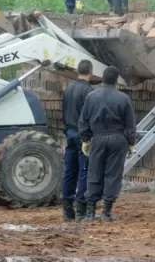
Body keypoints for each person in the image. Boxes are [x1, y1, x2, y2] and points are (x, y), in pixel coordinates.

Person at [78, 66, 136, 222]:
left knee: (94, 172)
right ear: (116, 80)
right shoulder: (123, 98)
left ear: (102, 78)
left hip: (98, 138)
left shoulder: (91, 96)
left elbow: (83, 120)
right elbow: (130, 123)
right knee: (113, 174)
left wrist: (85, 139)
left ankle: (90, 213)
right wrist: (131, 142)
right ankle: (106, 212)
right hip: (118, 139)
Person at [61, 59, 94, 221]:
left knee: (69, 170)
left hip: (70, 133)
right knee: (84, 171)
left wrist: (67, 131)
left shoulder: (69, 89)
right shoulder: (88, 91)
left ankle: (67, 208)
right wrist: (89, 137)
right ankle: (81, 208)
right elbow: (89, 116)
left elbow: (63, 112)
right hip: (82, 136)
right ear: (91, 72)